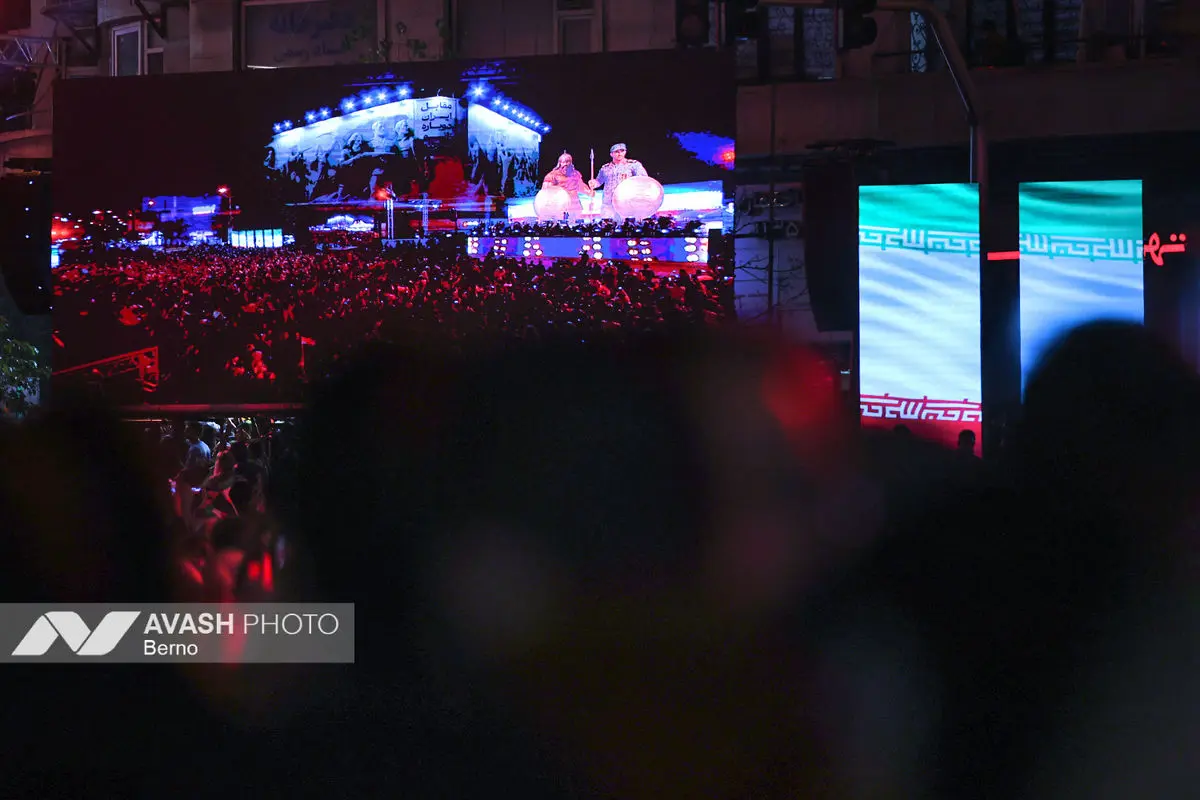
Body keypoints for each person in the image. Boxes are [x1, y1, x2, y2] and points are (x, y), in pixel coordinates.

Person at [588, 143, 647, 221]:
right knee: (607, 224)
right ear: (611, 154)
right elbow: (599, 181)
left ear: (625, 152)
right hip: (609, 202)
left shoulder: (633, 165)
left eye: (622, 151)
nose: (620, 153)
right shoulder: (605, 168)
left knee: (627, 225)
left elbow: (643, 179)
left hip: (626, 201)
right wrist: (593, 183)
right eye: (616, 151)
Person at [541, 152, 594, 224]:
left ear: (571, 162)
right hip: (560, 204)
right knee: (561, 224)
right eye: (563, 162)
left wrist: (588, 192)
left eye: (567, 161)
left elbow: (580, 186)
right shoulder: (552, 175)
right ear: (559, 163)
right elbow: (545, 190)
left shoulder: (576, 174)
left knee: (575, 224)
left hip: (574, 204)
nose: (565, 164)